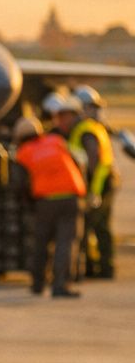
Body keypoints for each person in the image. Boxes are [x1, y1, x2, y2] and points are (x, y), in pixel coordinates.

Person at [16, 112, 87, 297]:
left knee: (40, 243)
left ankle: (38, 284)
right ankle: (60, 285)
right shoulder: (56, 141)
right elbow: (79, 161)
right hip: (71, 198)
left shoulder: (23, 153)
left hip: (45, 202)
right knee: (65, 243)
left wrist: (28, 203)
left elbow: (20, 184)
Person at [69, 85, 120, 278]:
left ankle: (90, 267)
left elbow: (93, 161)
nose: (95, 111)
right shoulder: (97, 127)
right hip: (107, 182)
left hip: (99, 185)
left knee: (88, 227)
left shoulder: (87, 130)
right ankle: (104, 267)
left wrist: (93, 191)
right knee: (102, 227)